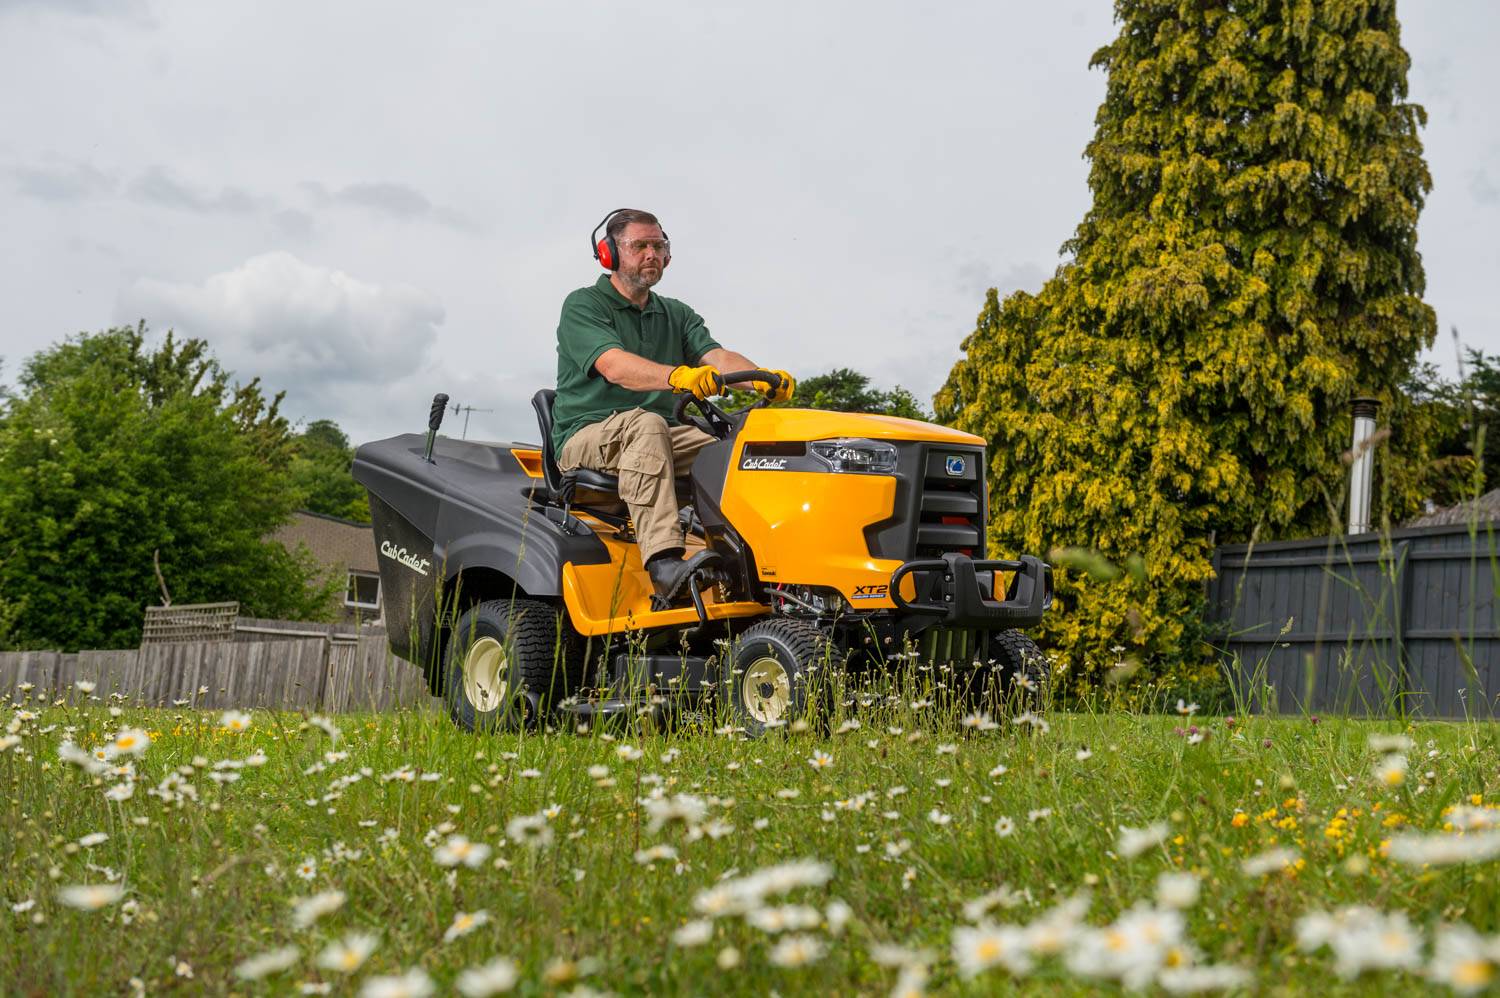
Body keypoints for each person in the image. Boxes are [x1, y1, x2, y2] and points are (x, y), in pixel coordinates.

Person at [552, 208, 794, 606]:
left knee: (731, 452)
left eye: (658, 246)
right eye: (639, 246)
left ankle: (753, 564)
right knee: (646, 424)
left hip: (659, 435)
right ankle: (665, 566)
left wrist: (763, 377)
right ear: (609, 253)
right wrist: (677, 376)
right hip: (586, 436)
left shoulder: (675, 313)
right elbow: (614, 366)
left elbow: (715, 355)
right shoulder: (583, 305)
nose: (651, 254)